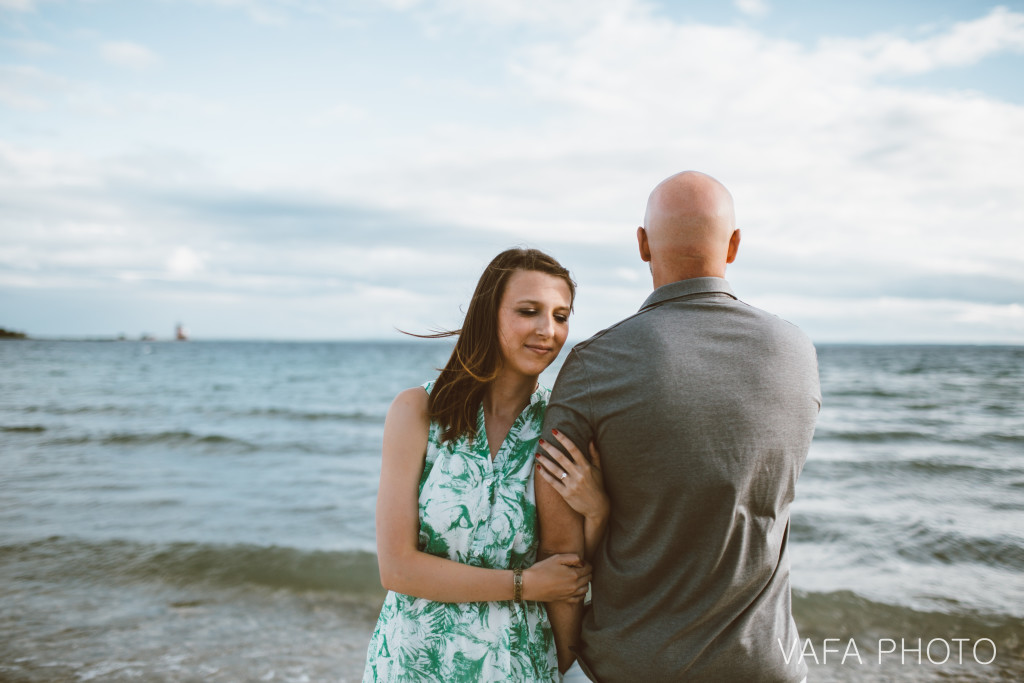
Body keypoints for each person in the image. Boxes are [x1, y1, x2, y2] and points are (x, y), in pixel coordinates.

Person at [536, 171, 821, 682]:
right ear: (733, 246)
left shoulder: (596, 362)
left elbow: (561, 547)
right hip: (769, 664)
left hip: (630, 667)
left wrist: (570, 654)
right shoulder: (796, 351)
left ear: (642, 245)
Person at [363, 247, 608, 682]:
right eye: (528, 311)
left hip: (518, 665)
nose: (546, 330)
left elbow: (571, 571)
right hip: (415, 662)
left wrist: (598, 511)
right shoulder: (418, 411)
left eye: (560, 316)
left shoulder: (558, 428)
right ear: (487, 314)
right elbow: (397, 568)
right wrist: (524, 585)